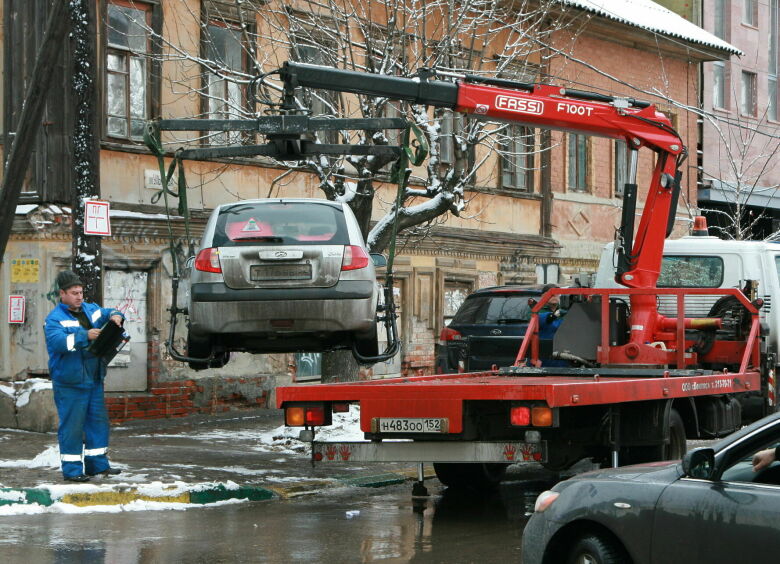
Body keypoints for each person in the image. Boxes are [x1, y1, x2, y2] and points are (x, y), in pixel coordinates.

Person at [44, 270, 125, 482]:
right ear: (62, 294)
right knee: (72, 427)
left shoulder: (91, 310)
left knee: (97, 424)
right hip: (70, 383)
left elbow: (109, 312)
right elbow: (59, 344)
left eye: (80, 292)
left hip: (93, 379)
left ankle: (98, 466)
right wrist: (84, 335)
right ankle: (72, 471)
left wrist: (117, 315)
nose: (79, 297)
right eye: (74, 293)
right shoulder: (54, 319)